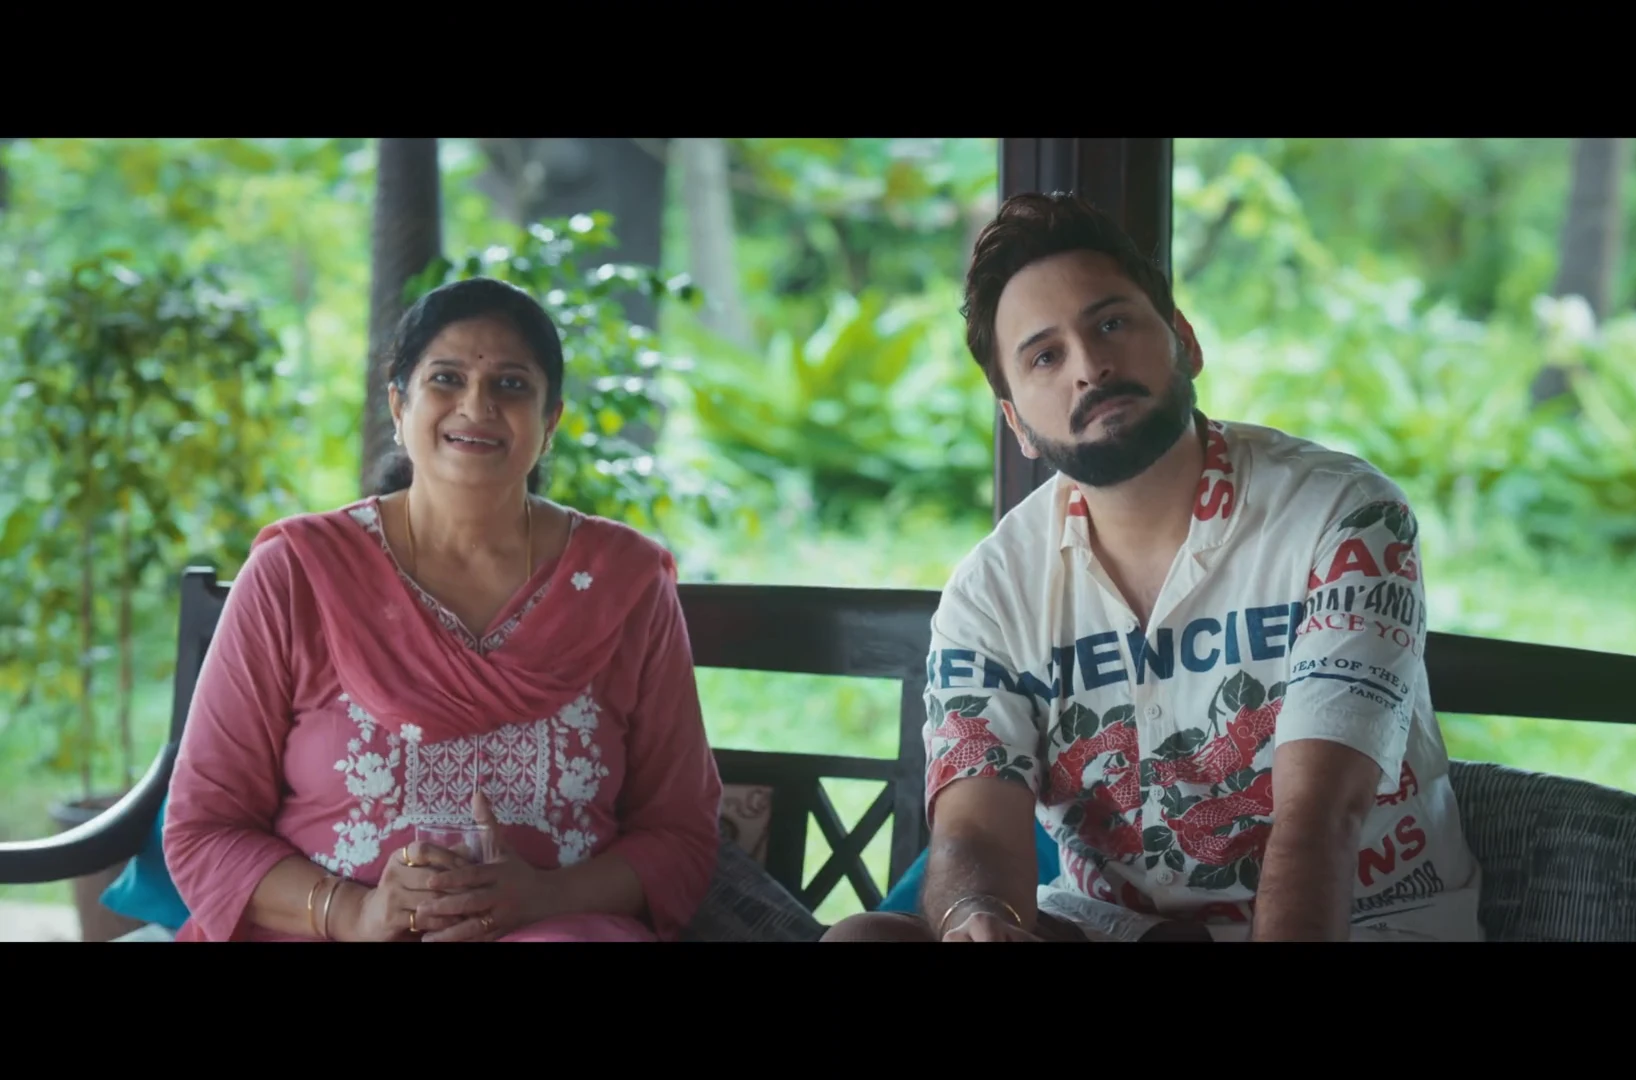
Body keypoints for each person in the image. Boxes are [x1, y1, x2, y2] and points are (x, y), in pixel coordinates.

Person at [823, 193, 1484, 943]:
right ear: (1018, 426)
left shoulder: (1341, 515)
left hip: (1354, 921)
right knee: (864, 941)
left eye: (1111, 324)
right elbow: (975, 831)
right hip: (1118, 928)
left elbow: (1320, 821)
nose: (1090, 367)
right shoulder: (991, 593)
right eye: (1045, 356)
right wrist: (980, 918)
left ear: (1184, 342)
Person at [162, 276, 723, 942]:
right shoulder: (298, 575)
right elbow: (205, 828)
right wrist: (355, 912)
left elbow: (679, 833)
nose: (477, 405)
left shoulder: (620, 584)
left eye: (511, 384)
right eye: (446, 379)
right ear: (398, 407)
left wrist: (544, 898)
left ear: (550, 422)